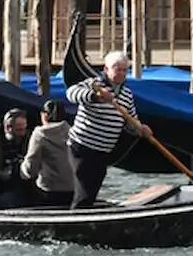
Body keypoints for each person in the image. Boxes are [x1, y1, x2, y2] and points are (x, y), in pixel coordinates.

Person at [65, 50, 152, 209]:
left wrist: (140, 128)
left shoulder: (126, 94)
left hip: (103, 151)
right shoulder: (94, 84)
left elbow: (131, 119)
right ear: (106, 69)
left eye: (125, 70)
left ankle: (84, 220)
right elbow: (71, 93)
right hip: (82, 147)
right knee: (85, 190)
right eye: (117, 69)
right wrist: (96, 97)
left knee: (93, 189)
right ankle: (76, 226)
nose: (121, 73)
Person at [21, 100, 76, 207]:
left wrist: (21, 170)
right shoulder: (73, 132)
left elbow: (30, 169)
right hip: (73, 189)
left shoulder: (40, 134)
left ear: (45, 116)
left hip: (49, 191)